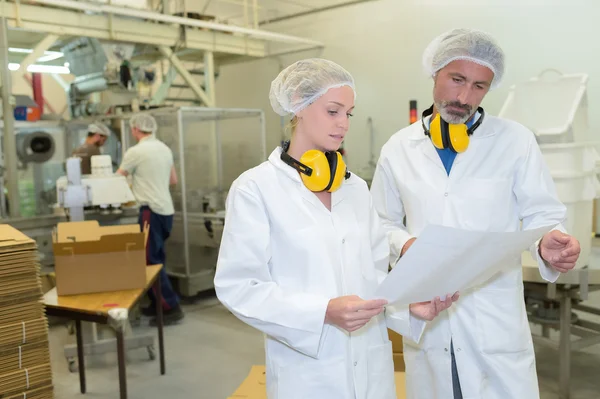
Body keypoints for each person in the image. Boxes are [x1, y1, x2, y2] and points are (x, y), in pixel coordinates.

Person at [214, 58, 458, 399]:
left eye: (349, 113)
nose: (343, 124)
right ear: (298, 105)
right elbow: (239, 286)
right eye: (333, 111)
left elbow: (374, 279)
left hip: (372, 369)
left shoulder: (355, 188)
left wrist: (407, 308)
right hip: (308, 374)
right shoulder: (256, 188)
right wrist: (322, 312)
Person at [370, 28, 581, 399]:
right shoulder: (398, 147)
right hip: (430, 312)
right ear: (434, 73)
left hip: (493, 317)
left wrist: (548, 240)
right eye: (456, 80)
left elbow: (542, 213)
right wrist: (406, 246)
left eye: (479, 86)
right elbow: (380, 223)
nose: (465, 97)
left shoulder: (515, 141)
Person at [117, 113, 184, 326]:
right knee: (157, 258)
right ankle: (157, 303)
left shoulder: (135, 152)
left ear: (136, 129)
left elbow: (116, 179)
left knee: (149, 261)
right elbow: (173, 180)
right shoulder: (164, 149)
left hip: (150, 211)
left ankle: (170, 307)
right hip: (166, 210)